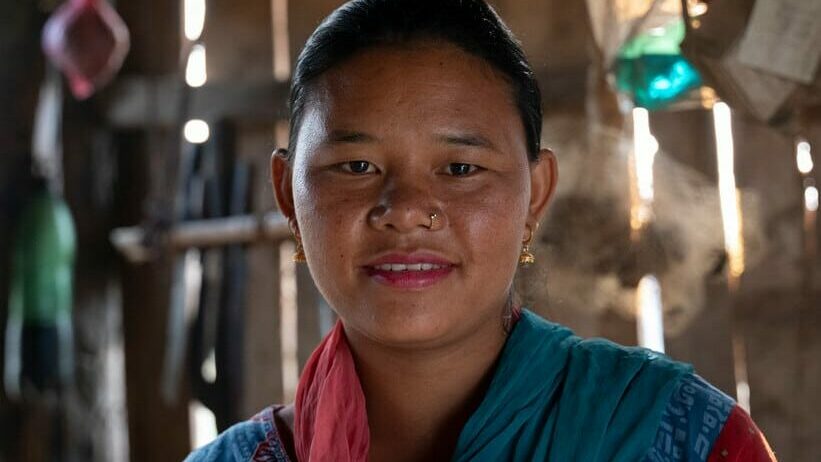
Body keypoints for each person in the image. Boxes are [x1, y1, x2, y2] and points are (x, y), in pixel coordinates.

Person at [186, 0, 776, 460]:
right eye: (357, 167)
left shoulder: (687, 441)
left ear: (534, 195)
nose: (408, 209)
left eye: (461, 169)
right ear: (289, 193)